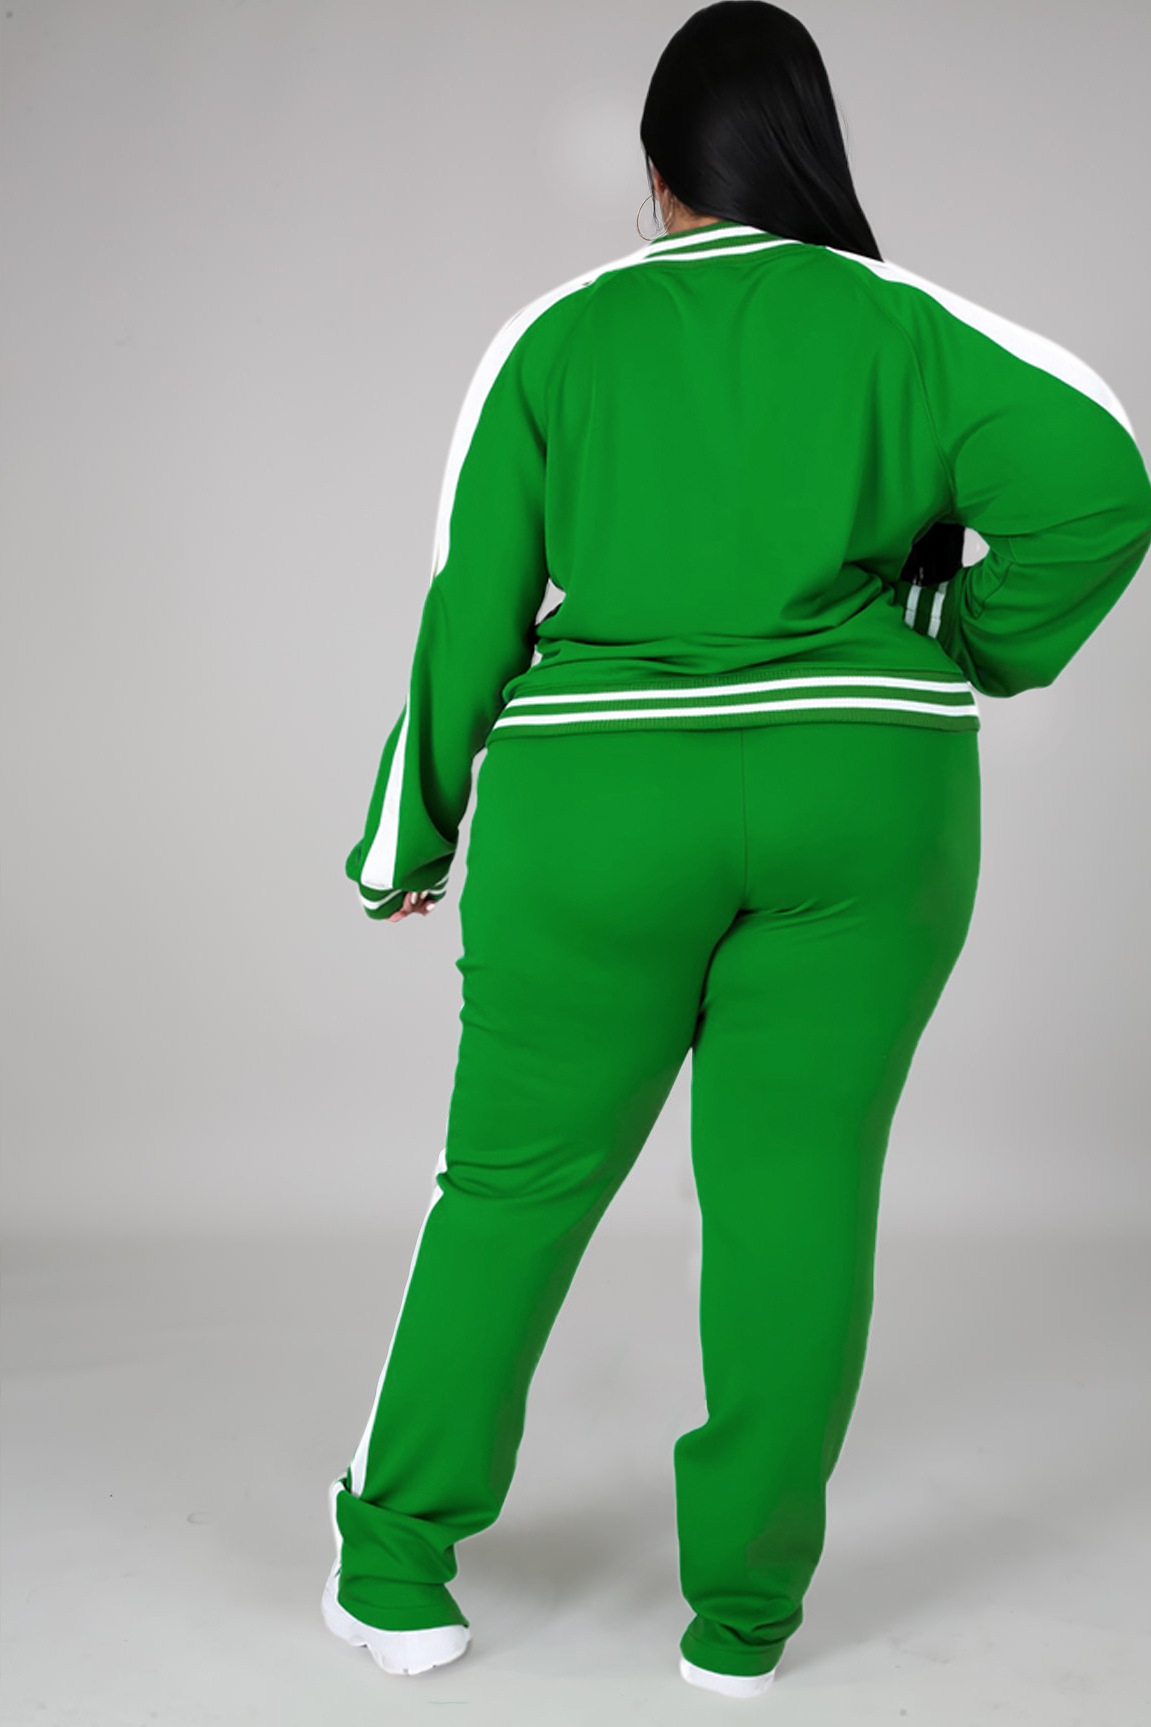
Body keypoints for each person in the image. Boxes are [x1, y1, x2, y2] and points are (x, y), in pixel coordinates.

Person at [321, 0, 1151, 1699]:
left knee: (513, 1189)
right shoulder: (901, 323)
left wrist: (409, 829)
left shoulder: (557, 339)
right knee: (798, 1199)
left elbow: (472, 601)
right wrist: (963, 640)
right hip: (866, 805)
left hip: (601, 814)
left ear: (657, 171)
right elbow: (1103, 475)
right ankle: (742, 1626)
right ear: (807, 151)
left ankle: (394, 1571)